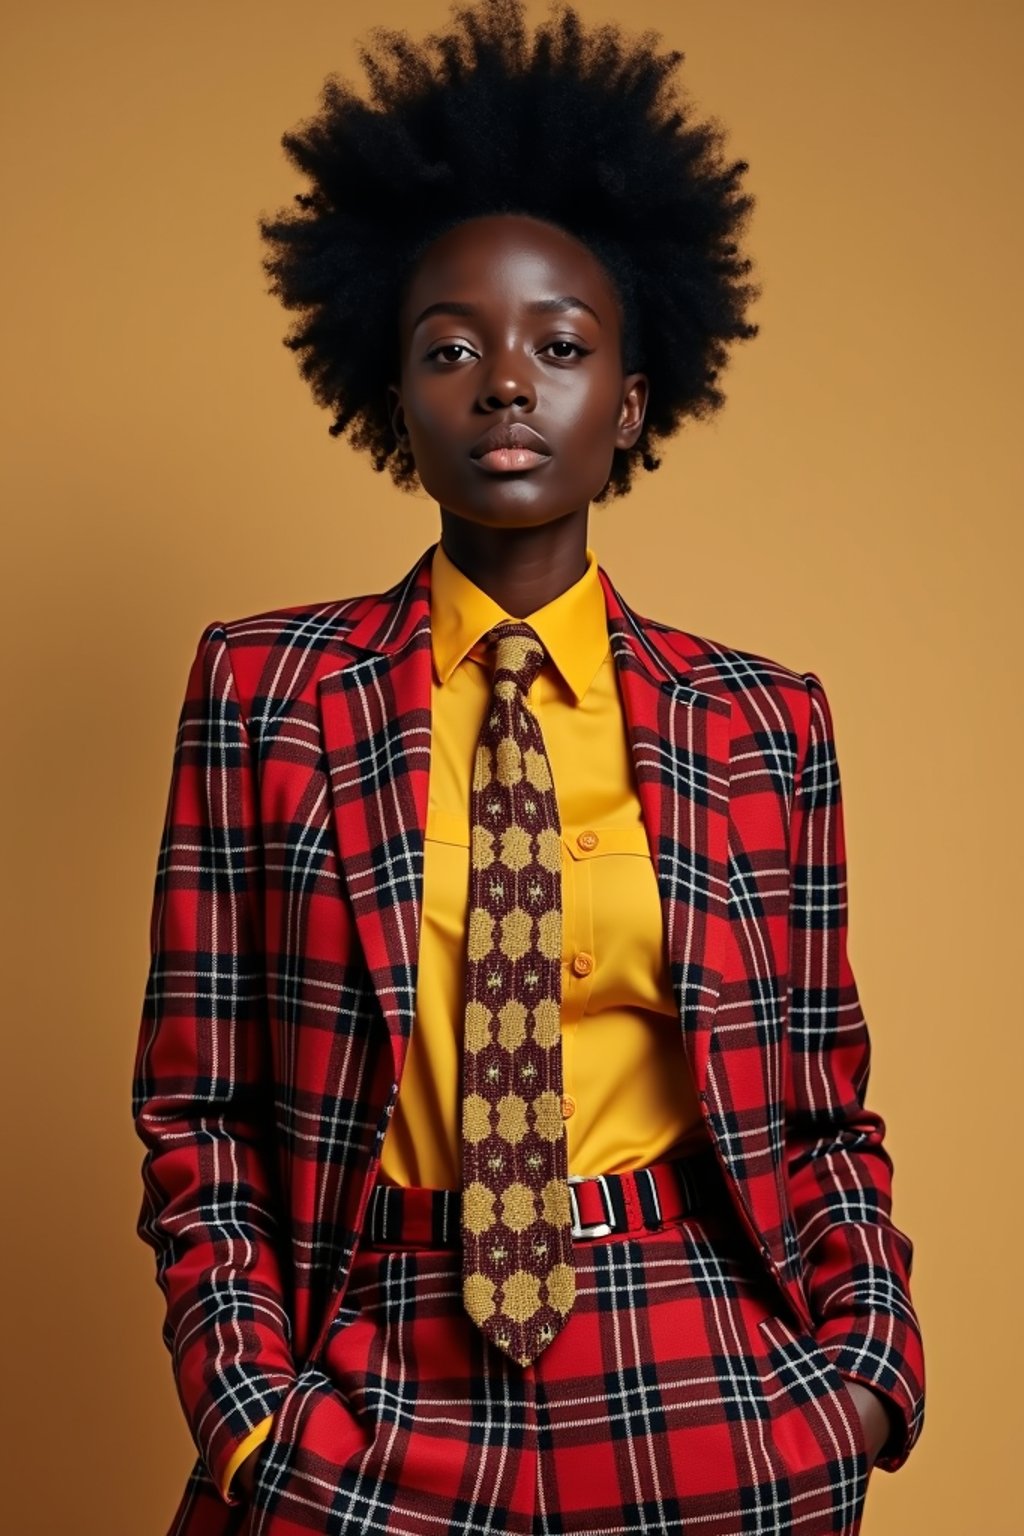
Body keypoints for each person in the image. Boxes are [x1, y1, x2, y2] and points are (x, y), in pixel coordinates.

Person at [131, 3, 924, 1533]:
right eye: (453, 348)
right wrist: (250, 1421)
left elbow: (824, 1109)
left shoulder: (762, 724)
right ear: (396, 395)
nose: (507, 382)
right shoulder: (264, 692)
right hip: (377, 1367)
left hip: (698, 1376)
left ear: (630, 402)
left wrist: (864, 1377)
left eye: (561, 345)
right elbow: (200, 1110)